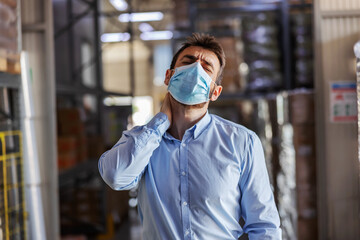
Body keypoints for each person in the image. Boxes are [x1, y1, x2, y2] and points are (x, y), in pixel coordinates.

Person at [98, 33, 282, 239]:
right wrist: (159, 122)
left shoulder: (241, 142)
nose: (196, 69)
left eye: (206, 67)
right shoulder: (143, 141)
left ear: (215, 92)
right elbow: (115, 176)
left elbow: (264, 226)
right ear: (168, 76)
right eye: (188, 61)